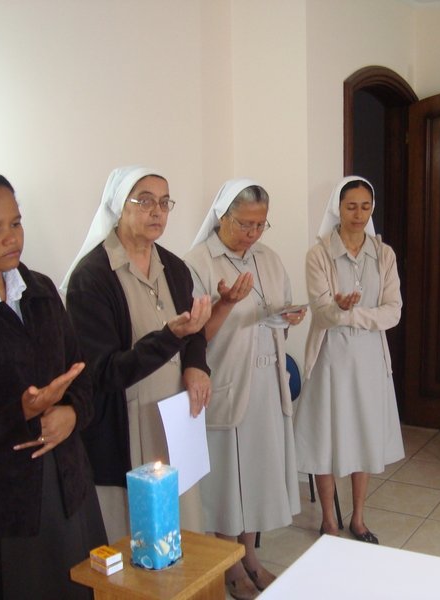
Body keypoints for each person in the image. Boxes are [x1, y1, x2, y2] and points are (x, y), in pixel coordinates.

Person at [0, 168, 106, 599]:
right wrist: (20, 414)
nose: (11, 238)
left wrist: (71, 413)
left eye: (16, 223)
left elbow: (82, 376)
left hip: (64, 493)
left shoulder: (41, 290)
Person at [63, 166, 211, 543]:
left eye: (164, 202)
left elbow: (193, 329)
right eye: (145, 201)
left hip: (174, 415)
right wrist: (169, 337)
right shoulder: (92, 277)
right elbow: (101, 372)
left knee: (181, 521)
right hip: (126, 422)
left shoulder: (174, 267)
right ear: (119, 207)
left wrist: (197, 365)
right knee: (136, 533)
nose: (157, 211)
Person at [183, 179, 302, 600]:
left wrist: (290, 317)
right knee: (227, 480)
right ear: (222, 216)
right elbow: (194, 337)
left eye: (260, 224)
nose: (253, 233)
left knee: (255, 475)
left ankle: (250, 555)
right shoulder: (198, 263)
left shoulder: (268, 258)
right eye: (245, 224)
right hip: (226, 381)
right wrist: (226, 303)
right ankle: (229, 564)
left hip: (267, 382)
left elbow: (279, 307)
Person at [294, 176, 404, 545]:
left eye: (365, 206)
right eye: (351, 206)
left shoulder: (384, 254)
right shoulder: (319, 254)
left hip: (370, 358)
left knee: (363, 435)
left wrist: (349, 314)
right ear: (337, 209)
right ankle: (329, 520)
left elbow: (393, 311)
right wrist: (337, 311)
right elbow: (321, 312)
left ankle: (358, 518)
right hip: (330, 357)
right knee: (325, 437)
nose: (358, 214)